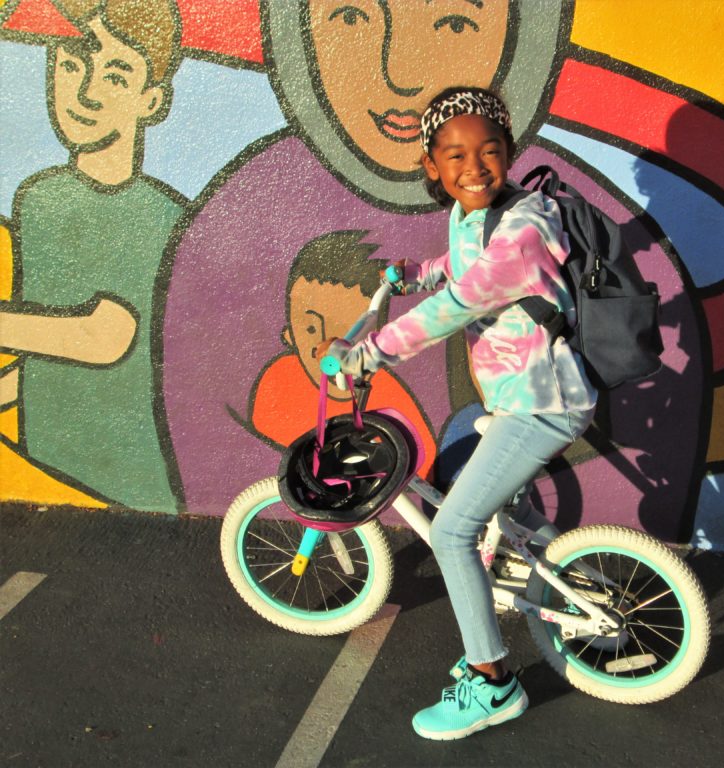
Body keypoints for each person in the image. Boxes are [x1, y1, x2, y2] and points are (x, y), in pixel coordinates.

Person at [319, 87, 598, 740]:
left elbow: (463, 301)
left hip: (542, 405)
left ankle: (494, 683)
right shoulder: (478, 215)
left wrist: (368, 354)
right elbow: (460, 267)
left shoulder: (527, 227)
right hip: (515, 399)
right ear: (432, 168)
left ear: (509, 152)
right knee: (469, 456)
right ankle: (537, 563)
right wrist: (414, 272)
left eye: (489, 151)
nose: (474, 166)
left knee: (450, 533)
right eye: (455, 155)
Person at [0, 0, 184, 511]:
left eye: (116, 76)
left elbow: (105, 335)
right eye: (71, 64)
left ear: (151, 99)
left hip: (128, 484)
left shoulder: (160, 214)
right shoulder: (38, 197)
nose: (83, 92)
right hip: (45, 466)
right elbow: (46, 350)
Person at [246, 230, 436, 479]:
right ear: (289, 336)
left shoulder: (395, 404)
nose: (324, 342)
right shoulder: (278, 381)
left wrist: (357, 358)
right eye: (311, 328)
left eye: (342, 333)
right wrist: (417, 275)